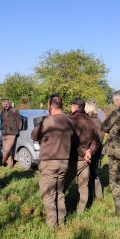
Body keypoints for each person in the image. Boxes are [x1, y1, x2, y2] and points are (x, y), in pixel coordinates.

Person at [31, 94, 76, 227]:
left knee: (48, 193)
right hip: (64, 162)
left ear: (50, 106)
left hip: (50, 161)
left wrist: (43, 123)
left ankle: (52, 224)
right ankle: (61, 221)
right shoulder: (69, 121)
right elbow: (72, 136)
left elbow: (34, 135)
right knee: (59, 192)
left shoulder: (49, 120)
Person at [64, 98, 100, 213]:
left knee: (62, 186)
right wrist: (90, 151)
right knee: (83, 187)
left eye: (71, 106)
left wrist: (83, 153)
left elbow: (72, 141)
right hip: (86, 159)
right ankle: (81, 211)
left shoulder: (70, 121)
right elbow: (96, 140)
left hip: (73, 159)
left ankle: (60, 210)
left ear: (75, 107)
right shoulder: (90, 121)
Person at [84, 101, 104, 199]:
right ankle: (98, 196)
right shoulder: (99, 120)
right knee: (93, 173)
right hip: (98, 151)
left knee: (91, 174)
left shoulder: (91, 122)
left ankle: (92, 196)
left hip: (92, 151)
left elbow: (94, 139)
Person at [1, 99, 21, 167]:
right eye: (4, 104)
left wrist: (17, 130)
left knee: (6, 150)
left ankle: (2, 162)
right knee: (5, 150)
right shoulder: (3, 112)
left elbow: (19, 121)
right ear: (2, 105)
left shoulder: (14, 110)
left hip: (12, 134)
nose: (5, 105)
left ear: (8, 103)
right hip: (4, 134)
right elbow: (2, 122)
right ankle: (10, 164)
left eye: (6, 103)